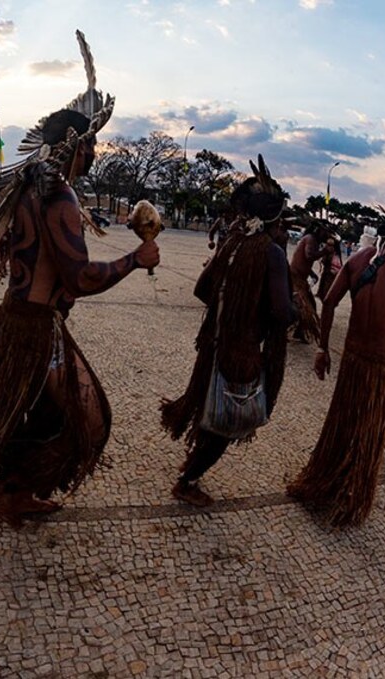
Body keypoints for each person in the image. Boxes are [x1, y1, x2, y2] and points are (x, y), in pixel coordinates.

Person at [0, 31, 159, 528]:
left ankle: (14, 488)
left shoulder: (25, 188)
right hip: (36, 330)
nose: (95, 156)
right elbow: (81, 277)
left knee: (43, 416)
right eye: (93, 147)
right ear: (75, 148)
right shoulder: (57, 195)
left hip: (20, 321)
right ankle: (11, 486)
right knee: (92, 421)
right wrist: (135, 259)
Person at [161, 156, 293, 507]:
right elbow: (282, 312)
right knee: (227, 422)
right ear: (274, 216)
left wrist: (227, 309)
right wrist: (260, 315)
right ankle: (187, 481)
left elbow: (202, 289)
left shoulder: (232, 242)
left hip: (214, 346)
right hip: (242, 353)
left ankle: (190, 467)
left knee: (210, 406)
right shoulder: (272, 253)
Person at [288, 223, 385, 527]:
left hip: (352, 361)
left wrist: (323, 350)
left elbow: (328, 302)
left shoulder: (357, 260)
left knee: (343, 422)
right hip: (381, 367)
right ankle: (351, 496)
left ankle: (325, 480)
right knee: (369, 432)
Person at [290, 222, 331, 343]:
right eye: (324, 232)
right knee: (305, 306)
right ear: (318, 231)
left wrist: (311, 273)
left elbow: (305, 260)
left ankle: (300, 332)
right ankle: (290, 330)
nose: (326, 235)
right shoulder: (310, 239)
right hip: (295, 277)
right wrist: (324, 251)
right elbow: (308, 256)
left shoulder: (312, 240)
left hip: (300, 278)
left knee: (310, 305)